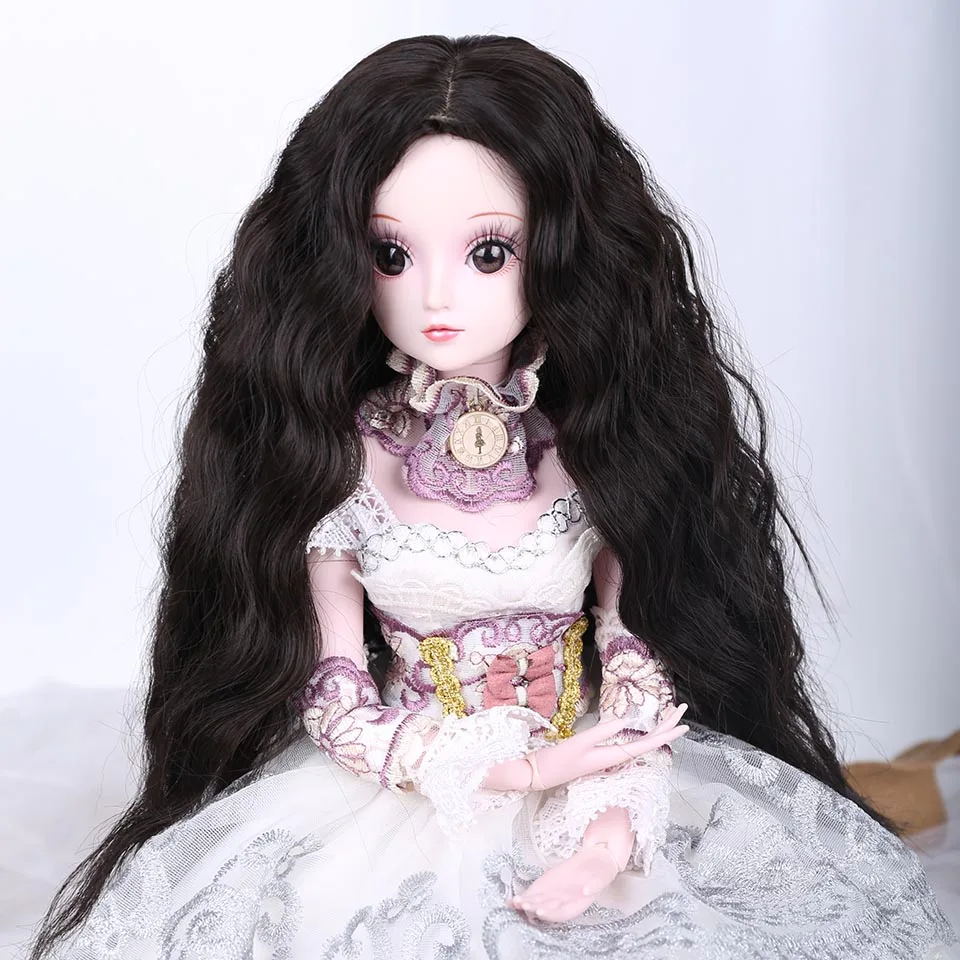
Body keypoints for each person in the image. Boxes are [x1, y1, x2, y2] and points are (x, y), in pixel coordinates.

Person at [28, 34, 957, 960]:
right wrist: (517, 769)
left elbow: (633, 650)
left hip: (591, 763)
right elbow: (338, 700)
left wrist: (608, 811)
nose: (436, 295)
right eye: (391, 253)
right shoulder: (336, 465)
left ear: (559, 248)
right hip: (412, 789)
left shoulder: (593, 449)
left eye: (488, 251)